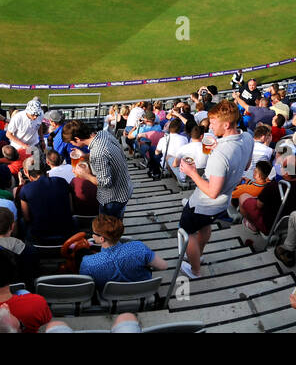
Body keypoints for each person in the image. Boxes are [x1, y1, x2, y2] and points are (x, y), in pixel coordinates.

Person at [178, 100, 254, 278]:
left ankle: (195, 270)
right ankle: (199, 256)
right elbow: (246, 165)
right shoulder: (248, 137)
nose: (209, 126)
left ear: (226, 124)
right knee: (204, 227)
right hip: (222, 203)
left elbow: (212, 192)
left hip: (205, 203)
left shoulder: (221, 154)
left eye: (213, 122)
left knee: (186, 232)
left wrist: (191, 172)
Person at [63, 118, 132, 218]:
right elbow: (106, 154)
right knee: (117, 220)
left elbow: (105, 183)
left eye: (71, 142)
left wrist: (85, 175)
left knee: (108, 228)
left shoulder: (97, 152)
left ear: (77, 139)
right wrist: (85, 155)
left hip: (113, 199)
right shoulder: (103, 134)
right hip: (125, 187)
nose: (71, 144)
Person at [77, 214, 167, 289]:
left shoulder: (88, 263)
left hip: (111, 298)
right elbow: (163, 266)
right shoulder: (138, 248)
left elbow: (86, 287)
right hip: (142, 291)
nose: (92, 234)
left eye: (93, 232)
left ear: (101, 239)